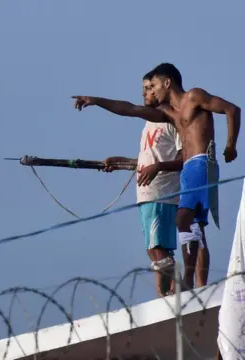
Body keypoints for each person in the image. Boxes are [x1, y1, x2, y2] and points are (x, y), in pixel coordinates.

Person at [72, 63, 240, 290]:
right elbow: (129, 109)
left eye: (154, 85)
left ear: (167, 82)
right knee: (196, 227)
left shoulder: (194, 97)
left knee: (183, 220)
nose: (152, 90)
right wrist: (96, 100)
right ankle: (197, 287)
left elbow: (232, 109)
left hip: (200, 163)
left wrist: (231, 146)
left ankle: (189, 283)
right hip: (191, 169)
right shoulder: (169, 113)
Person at [100, 70, 183, 297]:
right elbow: (149, 160)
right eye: (144, 89)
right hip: (147, 193)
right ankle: (166, 296)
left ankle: (179, 287)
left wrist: (157, 168)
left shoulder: (171, 121)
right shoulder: (149, 124)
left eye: (150, 88)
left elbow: (183, 158)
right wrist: (123, 162)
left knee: (156, 250)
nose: (146, 93)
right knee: (155, 249)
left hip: (160, 193)